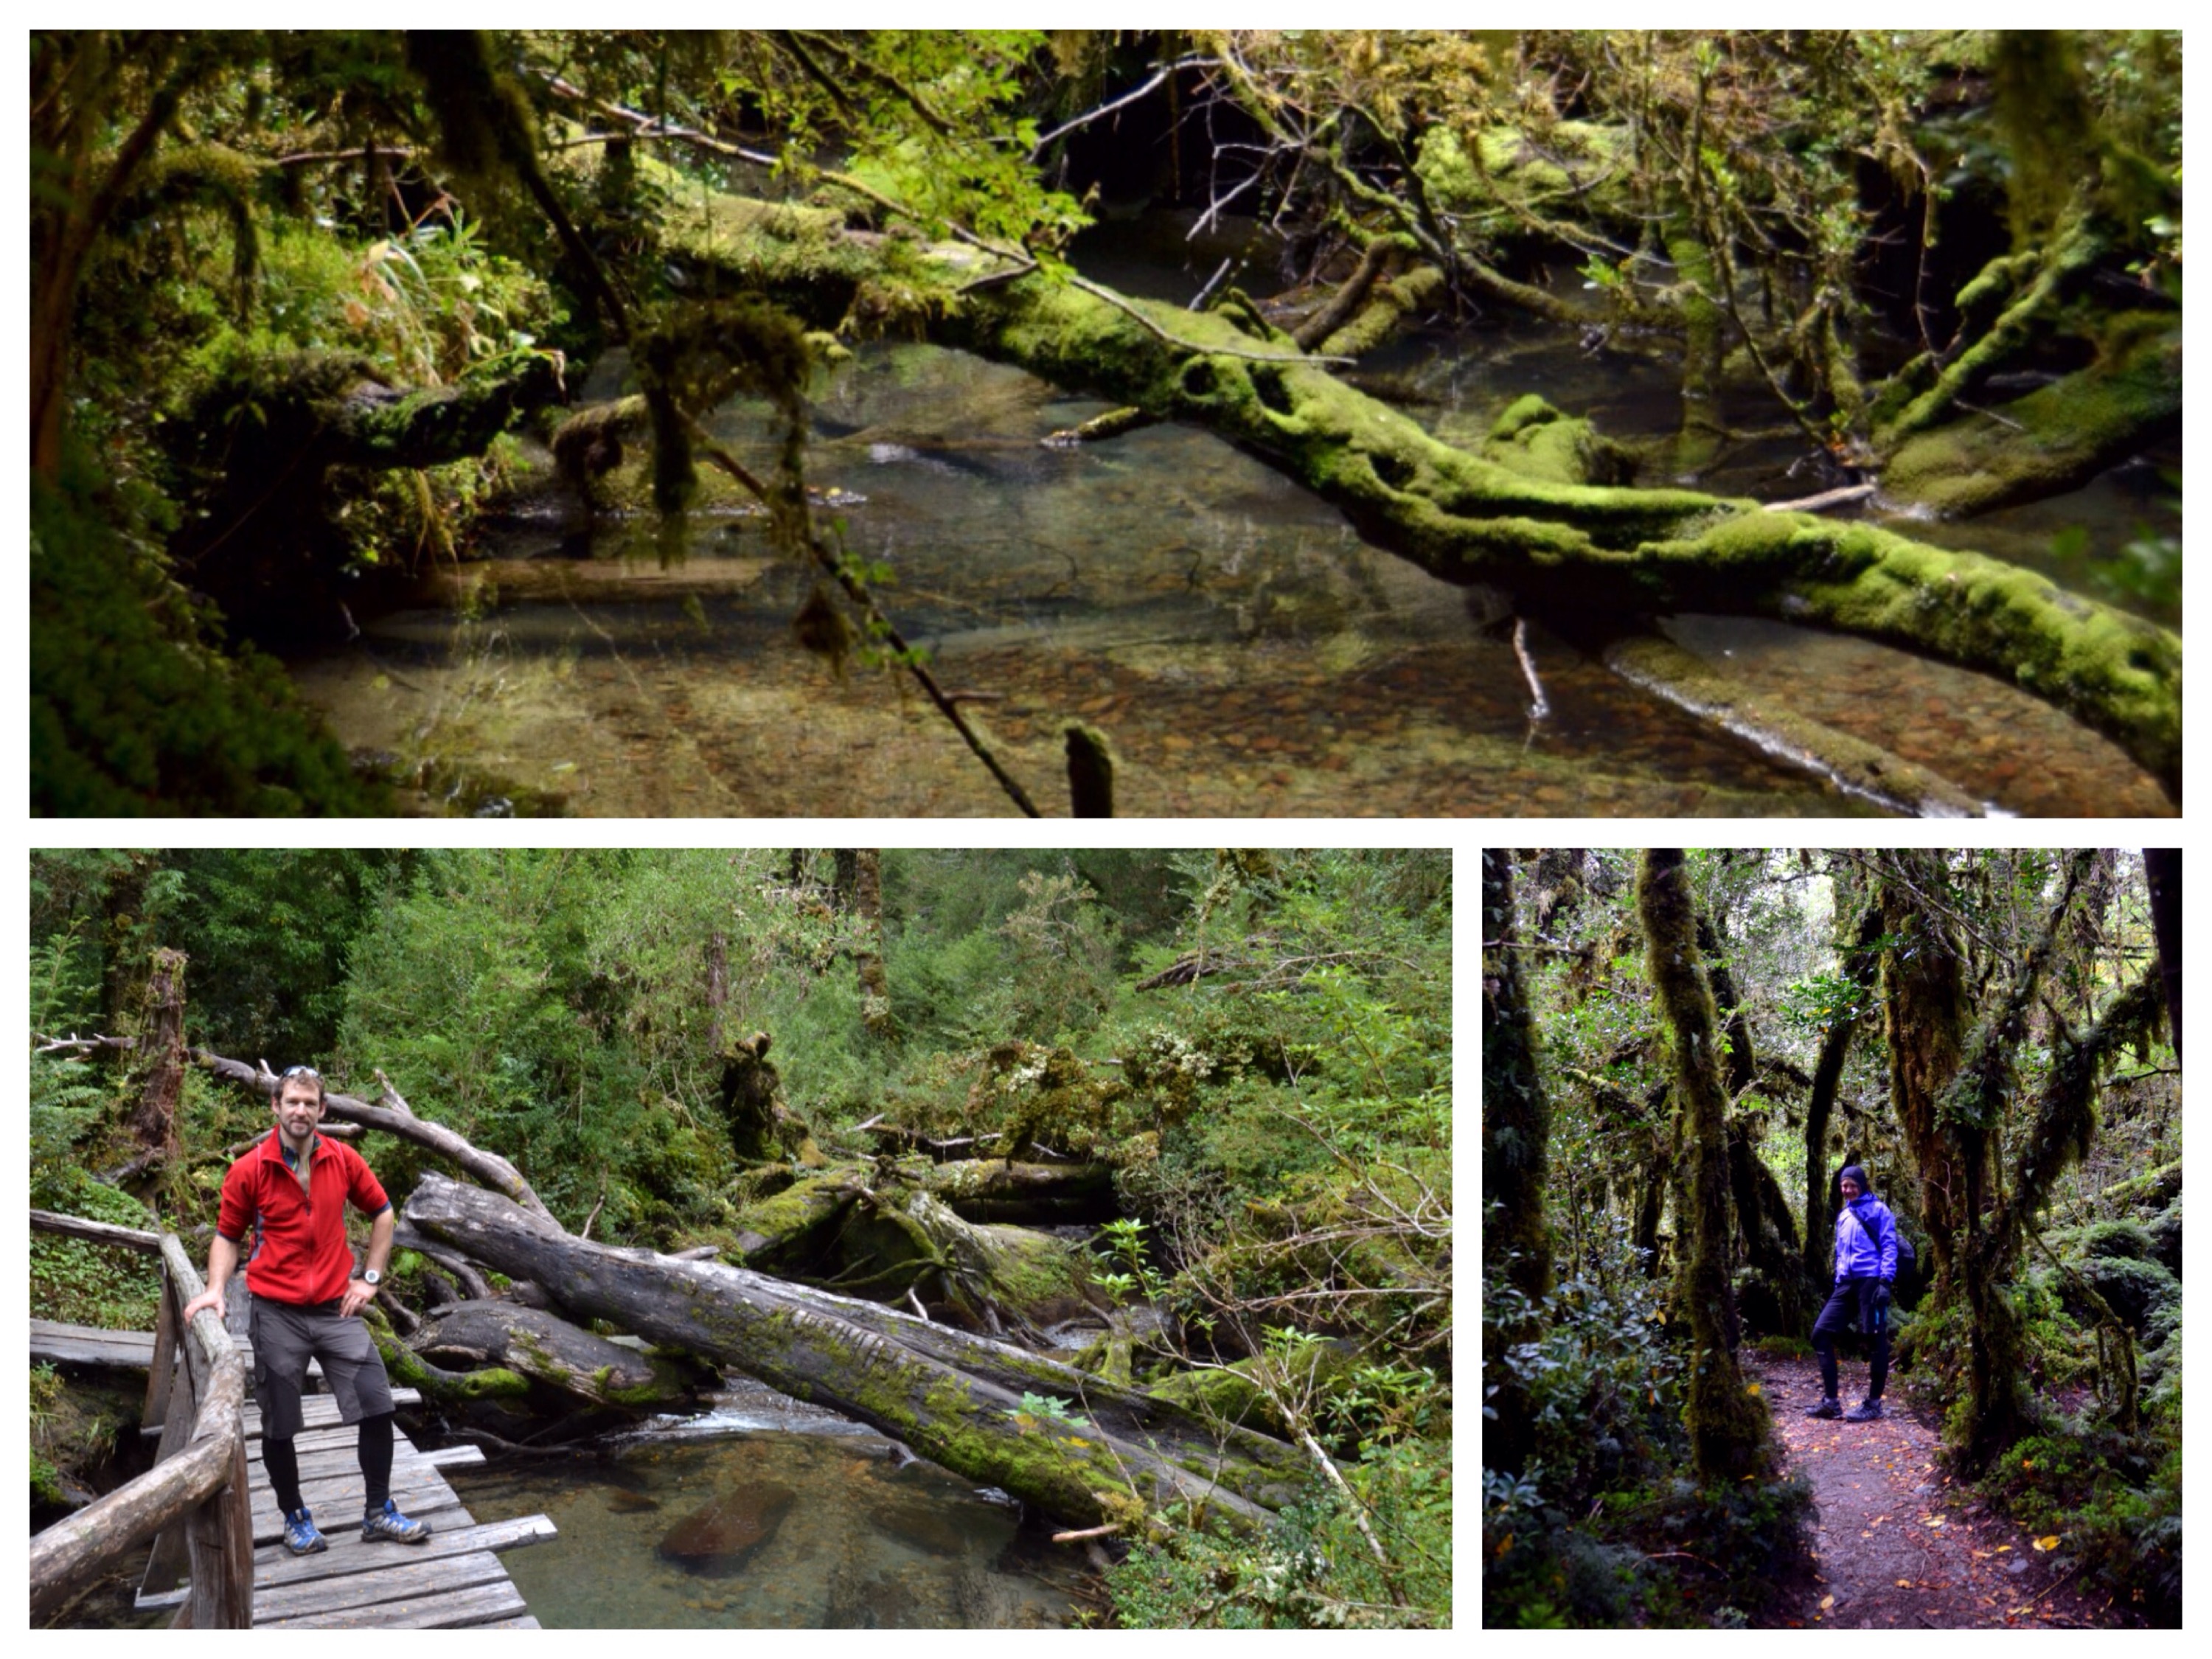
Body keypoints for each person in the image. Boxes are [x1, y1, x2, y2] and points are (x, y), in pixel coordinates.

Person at [181, 1065, 433, 1554]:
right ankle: (295, 1516)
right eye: (292, 1101)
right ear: (275, 1107)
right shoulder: (250, 1169)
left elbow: (383, 1212)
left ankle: (378, 1511)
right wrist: (215, 1289)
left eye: (309, 1103)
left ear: (323, 1111)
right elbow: (228, 1236)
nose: (301, 1110)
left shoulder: (342, 1160)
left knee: (377, 1404)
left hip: (336, 1309)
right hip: (276, 1311)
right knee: (279, 1422)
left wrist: (371, 1280)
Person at [1804, 1163, 1900, 1423]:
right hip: (1846, 1283)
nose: (1847, 1190)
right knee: (1820, 1334)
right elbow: (1840, 1252)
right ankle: (1831, 1403)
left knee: (1875, 1339)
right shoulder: (1844, 1215)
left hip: (1871, 1281)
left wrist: (1885, 1282)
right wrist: (1838, 1281)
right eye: (1844, 1186)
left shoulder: (1879, 1210)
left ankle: (1873, 1405)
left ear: (1862, 1185)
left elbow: (1889, 1246)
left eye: (1852, 1185)